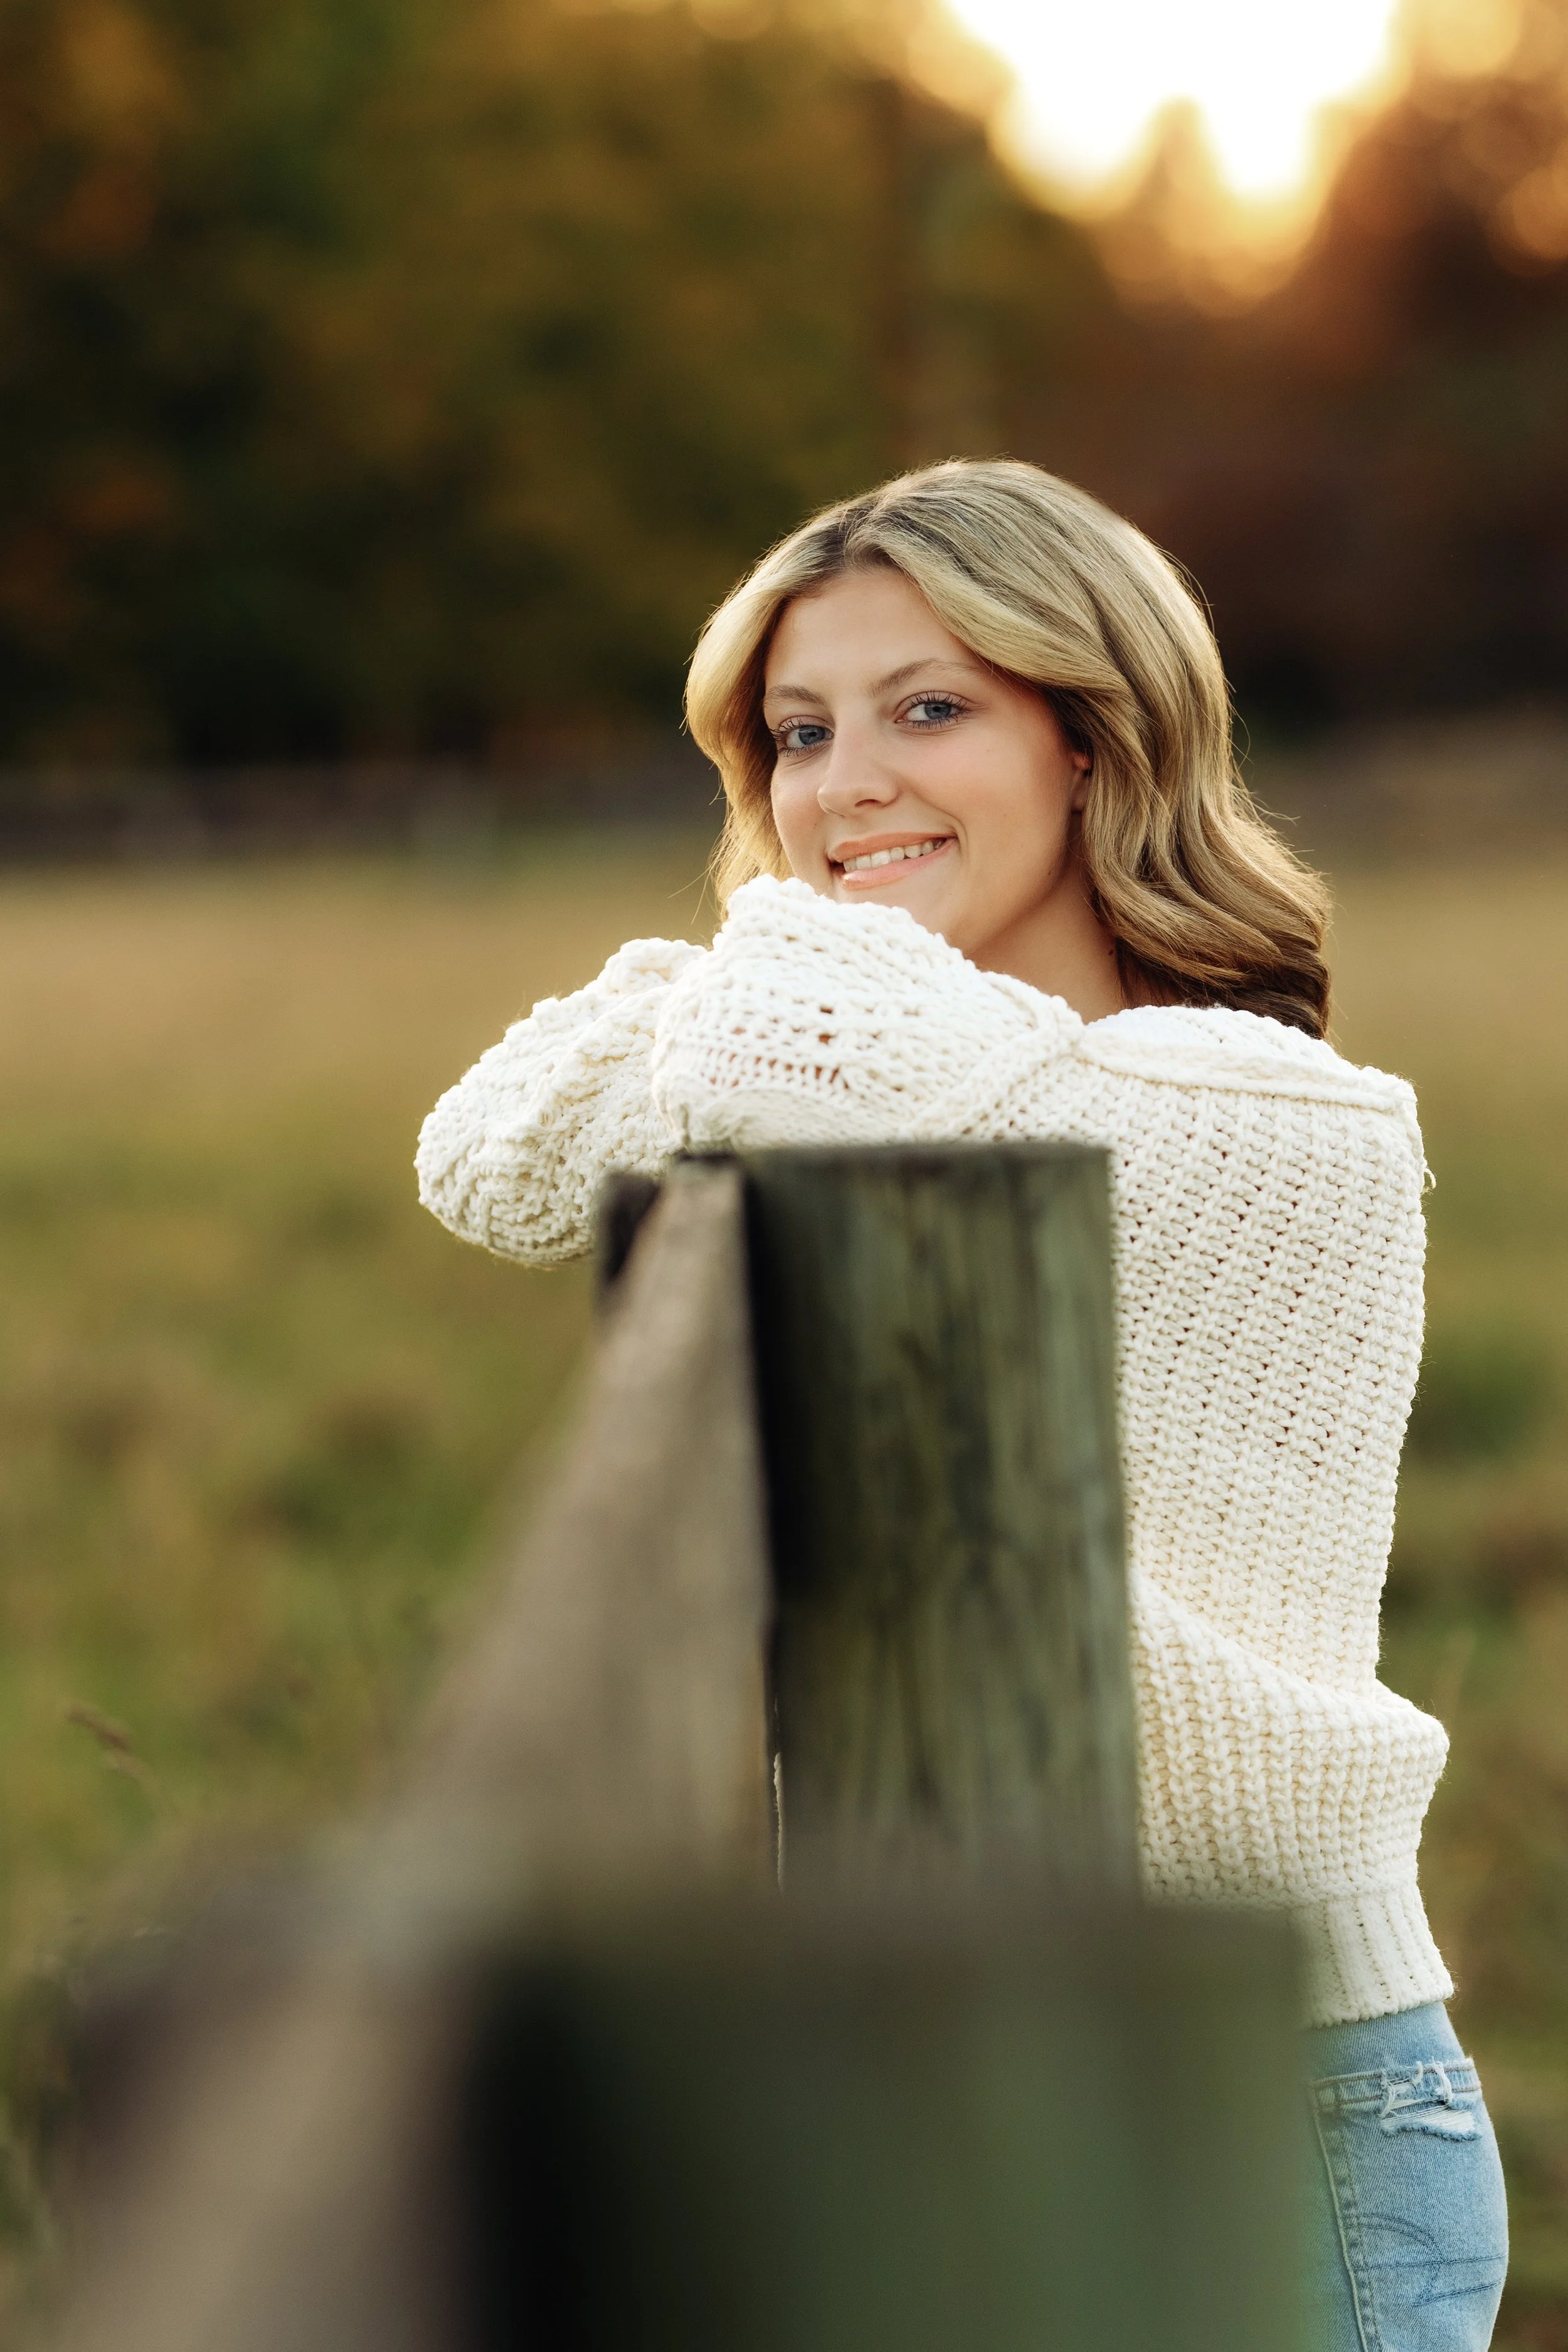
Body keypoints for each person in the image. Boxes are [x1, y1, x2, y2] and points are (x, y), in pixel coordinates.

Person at [415, 458, 1508, 2349]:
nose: (844, 787)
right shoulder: (927, 1074)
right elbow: (488, 1151)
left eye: (933, 710)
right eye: (796, 731)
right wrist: (744, 952)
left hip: (1274, 2099)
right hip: (955, 2069)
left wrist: (738, 946)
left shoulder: (1262, 1108)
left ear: (1098, 741)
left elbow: (752, 1029)